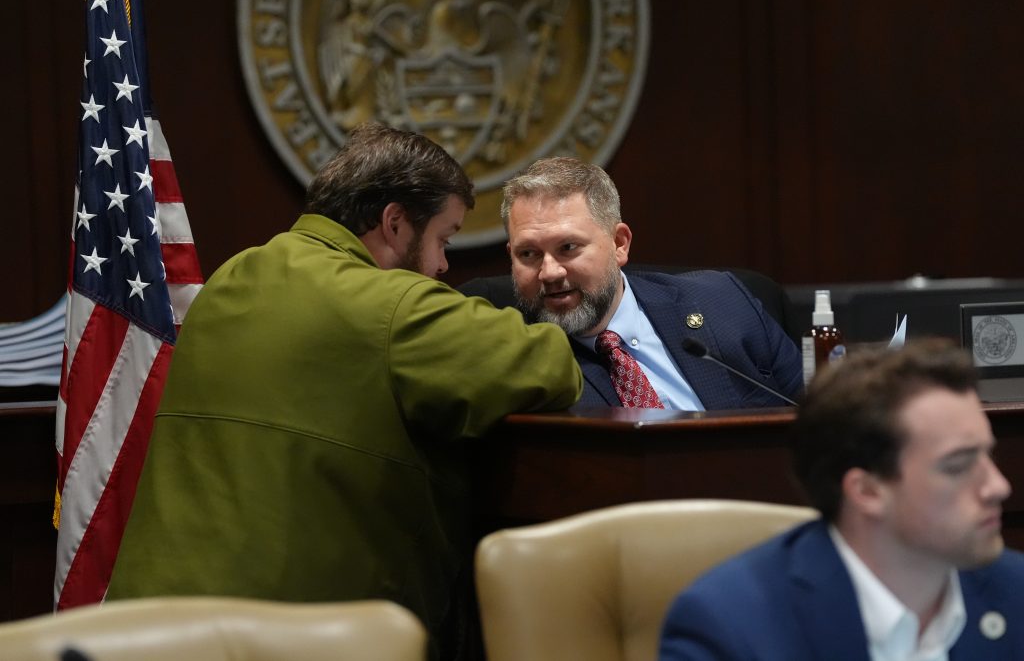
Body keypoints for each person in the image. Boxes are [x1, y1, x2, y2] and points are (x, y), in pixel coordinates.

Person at [106, 123, 583, 660]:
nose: (443, 265)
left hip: (143, 631)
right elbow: (550, 364)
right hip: (277, 644)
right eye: (442, 239)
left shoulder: (235, 274)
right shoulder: (393, 307)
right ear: (395, 223)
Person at [659, 339, 1024, 660]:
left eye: (988, 456)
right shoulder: (733, 626)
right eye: (958, 466)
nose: (998, 486)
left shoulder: (1014, 591)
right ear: (866, 492)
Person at [501, 156, 802, 409]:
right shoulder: (515, 363)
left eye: (568, 248)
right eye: (528, 253)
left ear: (619, 244)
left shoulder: (723, 302)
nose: (550, 272)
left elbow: (822, 411)